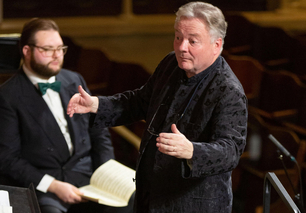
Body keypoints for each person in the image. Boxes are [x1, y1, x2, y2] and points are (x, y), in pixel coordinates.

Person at [67, 2, 247, 213]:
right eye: (178, 37)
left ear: (217, 45)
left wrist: (191, 150)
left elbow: (231, 151)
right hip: (150, 192)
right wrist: (97, 104)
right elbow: (140, 101)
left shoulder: (229, 90)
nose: (181, 47)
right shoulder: (171, 63)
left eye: (192, 41)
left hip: (191, 204)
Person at [0, 18, 134, 213]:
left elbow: (98, 133)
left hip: (88, 178)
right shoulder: (8, 96)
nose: (56, 56)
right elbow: (8, 159)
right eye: (47, 49)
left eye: (60, 48)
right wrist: (53, 185)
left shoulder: (74, 79)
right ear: (26, 51)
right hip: (46, 186)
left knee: (136, 198)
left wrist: (107, 173)